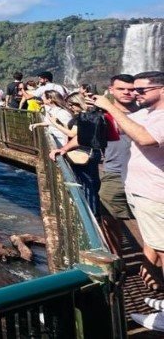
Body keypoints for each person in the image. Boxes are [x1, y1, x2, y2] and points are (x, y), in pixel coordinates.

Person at [88, 71, 164, 308]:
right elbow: (118, 129)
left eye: (141, 90)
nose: (134, 94)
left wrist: (110, 107)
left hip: (155, 192)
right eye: (131, 89)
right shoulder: (148, 113)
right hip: (145, 191)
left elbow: (145, 138)